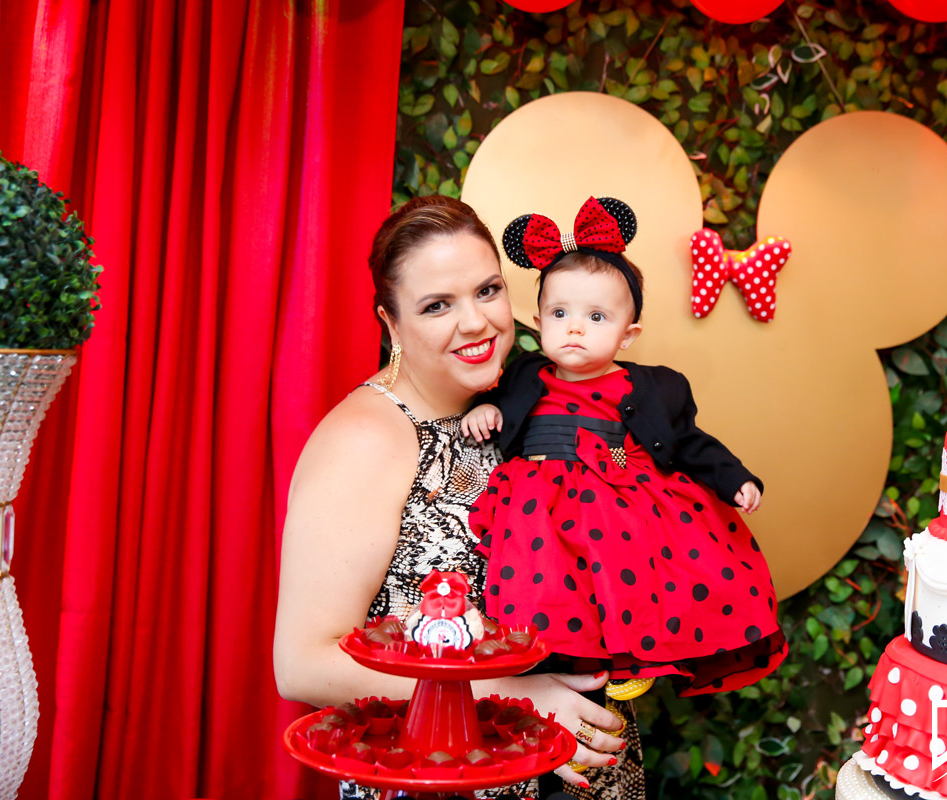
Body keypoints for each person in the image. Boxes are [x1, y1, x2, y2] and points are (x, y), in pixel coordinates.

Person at [273, 196, 640, 798]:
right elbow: (303, 664)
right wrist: (516, 699)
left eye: (488, 290)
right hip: (443, 778)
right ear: (391, 322)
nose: (476, 322)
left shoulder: (531, 396)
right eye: (437, 305)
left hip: (583, 762)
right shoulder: (366, 437)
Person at [464, 197, 788, 702]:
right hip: (538, 503)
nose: (575, 327)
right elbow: (494, 401)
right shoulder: (523, 374)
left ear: (628, 334)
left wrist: (735, 479)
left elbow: (689, 441)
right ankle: (548, 670)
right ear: (538, 321)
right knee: (544, 585)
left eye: (596, 316)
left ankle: (629, 657)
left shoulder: (652, 387)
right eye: (560, 313)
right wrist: (484, 409)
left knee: (627, 580)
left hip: (615, 500)